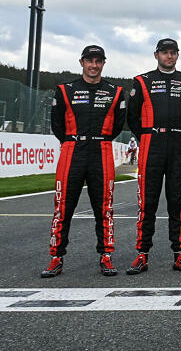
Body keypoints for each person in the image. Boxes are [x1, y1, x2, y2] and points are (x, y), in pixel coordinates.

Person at [42, 45, 126, 278]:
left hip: (101, 149)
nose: (94, 65)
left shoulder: (115, 91)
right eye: (90, 60)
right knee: (63, 207)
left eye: (98, 61)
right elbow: (57, 124)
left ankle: (106, 256)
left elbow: (118, 125)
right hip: (72, 149)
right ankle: (56, 257)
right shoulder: (65, 89)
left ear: (103, 64)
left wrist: (99, 139)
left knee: (104, 208)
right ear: (81, 62)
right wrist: (72, 141)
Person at [126, 38, 181, 274]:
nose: (169, 56)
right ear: (156, 55)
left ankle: (179, 254)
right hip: (152, 143)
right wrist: (148, 135)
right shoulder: (142, 81)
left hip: (179, 144)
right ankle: (142, 254)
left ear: (177, 56)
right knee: (147, 202)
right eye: (165, 52)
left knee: (177, 203)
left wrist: (178, 132)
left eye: (173, 53)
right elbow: (132, 116)